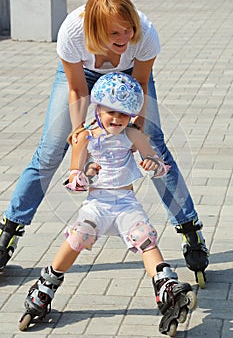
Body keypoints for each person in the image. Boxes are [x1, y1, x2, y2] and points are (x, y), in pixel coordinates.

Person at [0, 0, 208, 286]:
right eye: (115, 33)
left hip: (129, 83)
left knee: (154, 146)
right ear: (96, 29)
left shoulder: (146, 33)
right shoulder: (72, 31)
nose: (125, 37)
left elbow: (140, 86)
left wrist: (135, 133)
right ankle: (9, 231)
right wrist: (78, 132)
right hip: (83, 77)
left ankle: (191, 229)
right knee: (49, 151)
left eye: (129, 29)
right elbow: (77, 91)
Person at [19, 73, 197, 336]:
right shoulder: (84, 138)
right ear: (97, 108)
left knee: (144, 236)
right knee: (79, 236)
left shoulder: (133, 135)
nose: (117, 119)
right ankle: (47, 283)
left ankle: (165, 285)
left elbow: (159, 166)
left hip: (126, 204)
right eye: (111, 112)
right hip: (97, 205)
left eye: (124, 114)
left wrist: (152, 164)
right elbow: (73, 179)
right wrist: (86, 172)